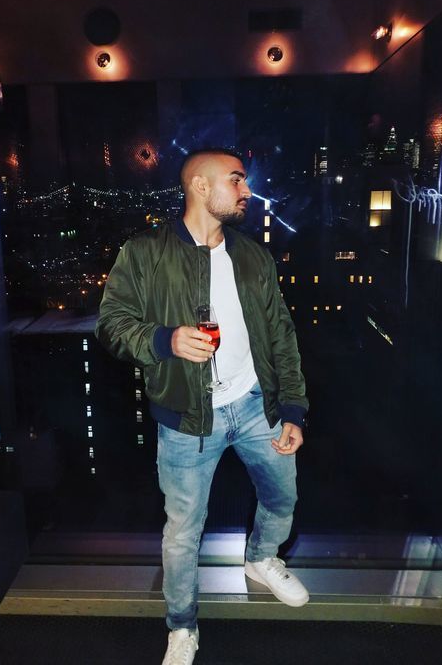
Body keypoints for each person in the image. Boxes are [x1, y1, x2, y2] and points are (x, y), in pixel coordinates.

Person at [96, 148, 309, 665]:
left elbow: (281, 334)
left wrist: (293, 408)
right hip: (188, 419)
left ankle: (261, 558)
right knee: (182, 534)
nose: (246, 190)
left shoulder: (253, 255)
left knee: (282, 497)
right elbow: (112, 324)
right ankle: (182, 626)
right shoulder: (145, 252)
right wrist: (165, 339)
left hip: (257, 406)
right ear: (200, 186)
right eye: (236, 180)